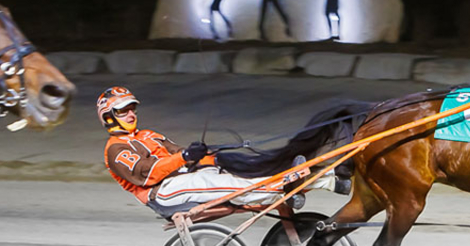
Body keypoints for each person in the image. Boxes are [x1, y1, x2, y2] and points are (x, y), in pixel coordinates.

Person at [97, 86, 343, 218]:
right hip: (162, 192)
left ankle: (327, 179)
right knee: (218, 182)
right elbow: (147, 174)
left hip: (182, 178)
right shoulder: (116, 149)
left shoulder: (149, 134)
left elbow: (179, 153)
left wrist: (210, 155)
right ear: (108, 117)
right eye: (123, 111)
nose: (131, 114)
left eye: (132, 109)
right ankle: (278, 192)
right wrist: (184, 158)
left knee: (234, 167)